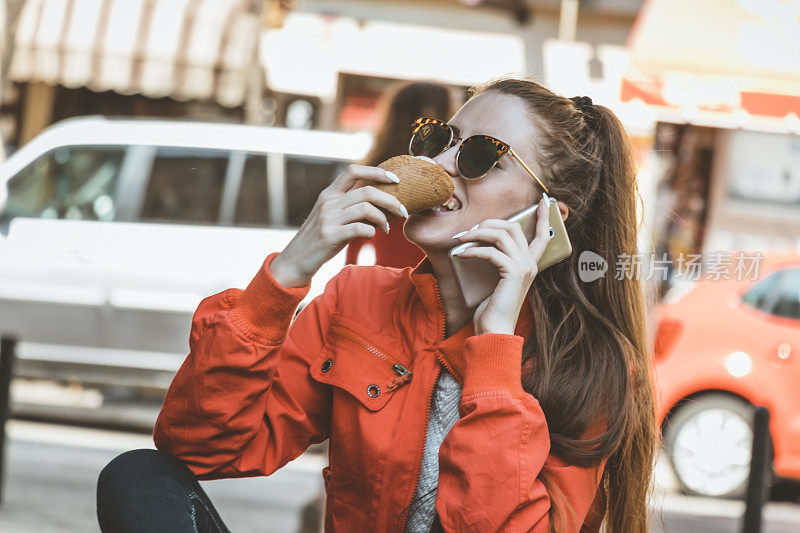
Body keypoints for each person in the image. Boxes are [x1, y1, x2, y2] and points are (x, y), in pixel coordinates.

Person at [97, 76, 656, 532]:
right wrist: (288, 272)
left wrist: (494, 351)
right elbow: (203, 449)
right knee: (140, 478)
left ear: (548, 213)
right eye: (442, 140)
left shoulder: (594, 366)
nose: (443, 166)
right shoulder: (356, 301)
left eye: (483, 155)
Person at [345, 81, 454, 268]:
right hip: (436, 282)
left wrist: (350, 281)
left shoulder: (374, 172)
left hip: (389, 282)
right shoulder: (450, 176)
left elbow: (354, 240)